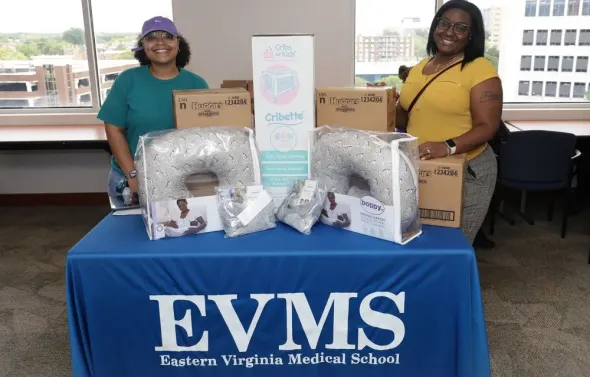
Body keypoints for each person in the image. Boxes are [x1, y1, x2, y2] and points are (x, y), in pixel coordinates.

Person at [396, 0, 502, 245]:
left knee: (453, 247)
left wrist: (446, 146)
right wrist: (387, 103)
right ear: (435, 26)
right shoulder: (421, 67)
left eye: (460, 27)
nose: (449, 32)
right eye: (444, 23)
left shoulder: (479, 69)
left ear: (471, 35)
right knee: (417, 240)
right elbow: (406, 116)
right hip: (420, 169)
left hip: (466, 171)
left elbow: (488, 126)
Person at [98, 16, 209, 200]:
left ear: (178, 43)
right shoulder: (127, 80)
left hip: (181, 179)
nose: (160, 42)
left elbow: (204, 134)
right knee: (127, 229)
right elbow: (113, 129)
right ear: (143, 46)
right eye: (151, 37)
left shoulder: (196, 83)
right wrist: (132, 175)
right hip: (131, 178)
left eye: (167, 36)